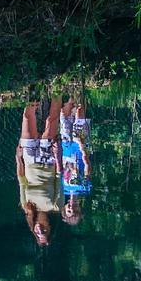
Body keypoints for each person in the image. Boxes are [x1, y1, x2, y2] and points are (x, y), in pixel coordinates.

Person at [16, 95, 62, 246]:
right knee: (51, 121)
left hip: (28, 160)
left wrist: (18, 159)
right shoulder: (56, 206)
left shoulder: (26, 207)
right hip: (48, 161)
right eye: (45, 232)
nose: (40, 230)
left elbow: (22, 181)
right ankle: (57, 88)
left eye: (38, 233)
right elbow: (58, 177)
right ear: (50, 227)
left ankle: (34, 88)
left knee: (27, 116)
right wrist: (57, 155)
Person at [59, 92, 92, 227]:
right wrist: (81, 144)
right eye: (75, 211)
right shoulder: (85, 188)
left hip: (66, 144)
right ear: (79, 208)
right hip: (80, 145)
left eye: (69, 211)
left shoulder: (62, 189)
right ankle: (80, 88)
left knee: (64, 114)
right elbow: (87, 164)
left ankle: (70, 87)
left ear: (65, 208)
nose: (71, 208)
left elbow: (61, 167)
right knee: (79, 111)